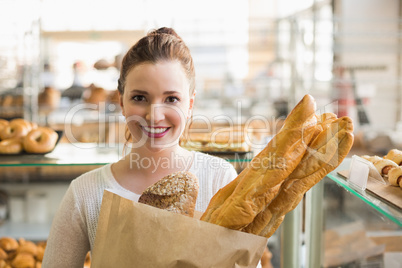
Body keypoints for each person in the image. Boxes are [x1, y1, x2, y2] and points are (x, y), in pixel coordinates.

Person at [42, 27, 238, 267]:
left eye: (171, 99)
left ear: (190, 104)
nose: (155, 116)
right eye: (139, 98)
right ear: (121, 102)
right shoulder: (85, 194)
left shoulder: (220, 179)